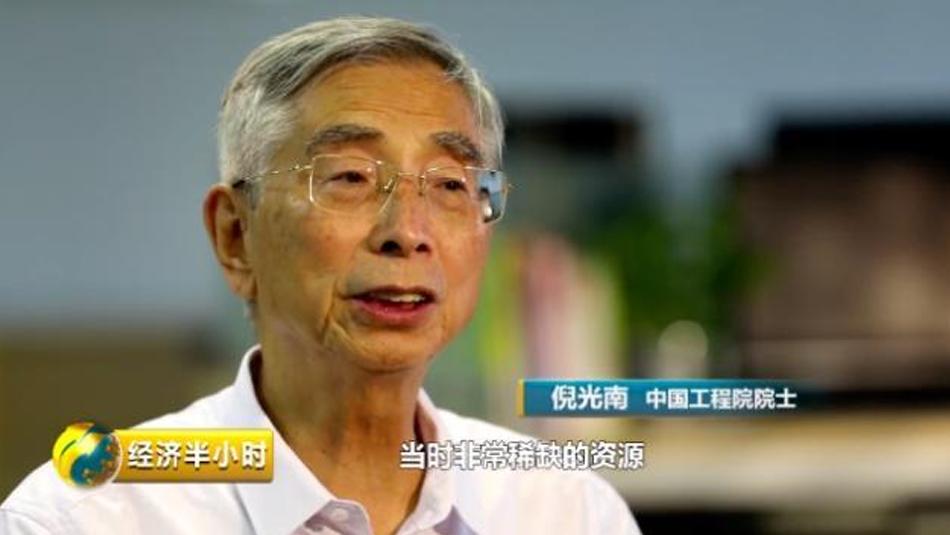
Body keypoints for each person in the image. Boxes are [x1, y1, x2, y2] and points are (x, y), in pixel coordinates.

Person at [1, 16, 640, 535]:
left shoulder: (567, 512)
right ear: (235, 236)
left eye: (450, 183)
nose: (408, 231)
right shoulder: (88, 518)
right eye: (350, 177)